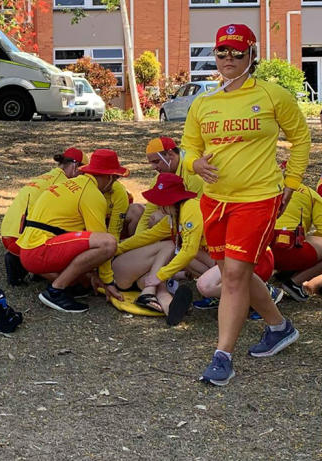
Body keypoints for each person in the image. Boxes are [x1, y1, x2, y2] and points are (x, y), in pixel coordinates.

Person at [181, 23, 310, 386]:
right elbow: (189, 145)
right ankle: (279, 327)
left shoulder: (272, 95)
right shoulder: (204, 103)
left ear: (252, 55)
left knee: (235, 275)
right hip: (215, 201)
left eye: (238, 52)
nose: (229, 58)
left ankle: (222, 356)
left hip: (258, 198)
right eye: (222, 51)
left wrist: (292, 183)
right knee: (233, 270)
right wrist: (194, 163)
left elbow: (300, 138)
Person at [16, 148, 127, 313]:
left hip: (27, 248)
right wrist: (108, 280)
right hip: (38, 251)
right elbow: (103, 241)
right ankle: (56, 291)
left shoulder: (70, 183)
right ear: (110, 177)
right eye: (116, 178)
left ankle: (23, 266)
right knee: (108, 243)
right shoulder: (92, 194)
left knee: (84, 276)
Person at [112, 173, 211, 325]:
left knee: (161, 284)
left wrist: (160, 276)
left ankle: (167, 307)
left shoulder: (189, 210)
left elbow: (188, 251)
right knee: (172, 249)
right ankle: (149, 291)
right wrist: (116, 249)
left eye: (160, 201)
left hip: (133, 276)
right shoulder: (176, 215)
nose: (158, 206)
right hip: (120, 269)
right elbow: (147, 237)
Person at [0, 147, 87, 285]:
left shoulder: (48, 176)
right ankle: (33, 265)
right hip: (22, 238)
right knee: (74, 280)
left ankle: (18, 260)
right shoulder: (64, 183)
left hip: (8, 232)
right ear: (76, 167)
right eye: (83, 172)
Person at [270, 168, 322, 302]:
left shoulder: (261, 189)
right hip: (292, 248)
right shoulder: (309, 193)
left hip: (261, 249)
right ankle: (295, 283)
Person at [137, 136, 205, 233]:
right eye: (151, 163)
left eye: (156, 162)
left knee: (158, 217)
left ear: (170, 154)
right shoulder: (159, 179)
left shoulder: (193, 175)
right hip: (179, 223)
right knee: (146, 215)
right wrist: (136, 239)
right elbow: (147, 214)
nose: (153, 167)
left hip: (196, 224)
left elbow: (200, 211)